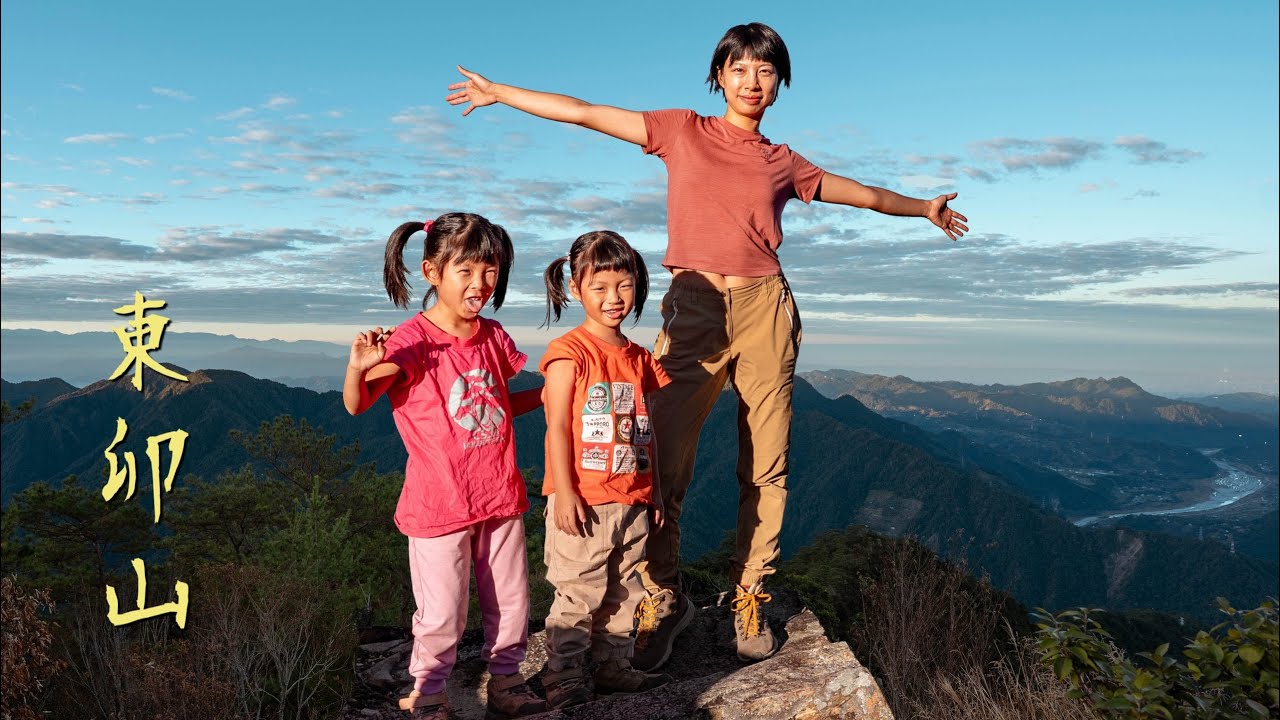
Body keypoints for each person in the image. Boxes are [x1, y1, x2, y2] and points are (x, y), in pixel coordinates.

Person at [446, 21, 970, 670]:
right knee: (659, 460)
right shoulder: (682, 131)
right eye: (740, 68)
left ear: (779, 84)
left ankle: (750, 594)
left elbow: (861, 194)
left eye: (766, 71)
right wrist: (500, 92)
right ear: (719, 76)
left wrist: (923, 208)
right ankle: (663, 595)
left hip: (765, 309)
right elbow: (583, 112)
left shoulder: (783, 162)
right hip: (693, 309)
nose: (753, 81)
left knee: (766, 464)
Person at [343, 212, 546, 720]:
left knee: (511, 599)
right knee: (441, 611)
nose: (481, 283)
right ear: (432, 272)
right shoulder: (411, 341)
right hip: (439, 503)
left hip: (498, 494)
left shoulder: (492, 335)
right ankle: (429, 693)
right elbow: (358, 404)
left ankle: (507, 680)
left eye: (490, 271)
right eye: (466, 271)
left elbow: (496, 404)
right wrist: (357, 368)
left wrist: (548, 394)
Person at [537, 230, 673, 709]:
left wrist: (655, 491)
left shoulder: (639, 358)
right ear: (576, 289)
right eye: (599, 287)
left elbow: (646, 428)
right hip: (584, 498)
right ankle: (563, 674)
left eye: (624, 285)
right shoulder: (568, 352)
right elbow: (556, 427)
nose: (614, 298)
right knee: (578, 590)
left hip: (632, 494)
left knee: (625, 587)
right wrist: (564, 491)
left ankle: (613, 664)